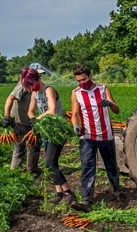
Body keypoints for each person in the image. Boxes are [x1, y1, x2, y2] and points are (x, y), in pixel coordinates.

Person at [70, 64, 121, 212]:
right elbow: (75, 114)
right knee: (87, 168)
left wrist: (110, 104)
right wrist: (75, 126)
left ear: (90, 76)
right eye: (78, 81)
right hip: (87, 137)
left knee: (111, 166)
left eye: (83, 79)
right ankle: (86, 200)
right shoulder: (76, 93)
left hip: (106, 135)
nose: (81, 83)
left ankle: (116, 191)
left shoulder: (103, 89)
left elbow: (117, 110)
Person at [29, 69, 76, 205]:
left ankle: (68, 193)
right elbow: (30, 110)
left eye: (32, 84)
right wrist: (32, 118)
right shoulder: (34, 93)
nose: (32, 88)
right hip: (47, 131)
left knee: (49, 164)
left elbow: (52, 110)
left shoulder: (49, 90)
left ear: (38, 79)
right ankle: (59, 193)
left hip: (57, 131)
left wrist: (37, 119)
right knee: (51, 163)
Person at [3, 67, 42, 175]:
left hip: (27, 120)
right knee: (27, 146)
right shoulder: (23, 84)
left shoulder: (34, 85)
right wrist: (6, 116)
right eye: (38, 75)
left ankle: (24, 170)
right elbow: (10, 99)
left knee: (27, 146)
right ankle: (24, 171)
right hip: (21, 122)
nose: (40, 77)